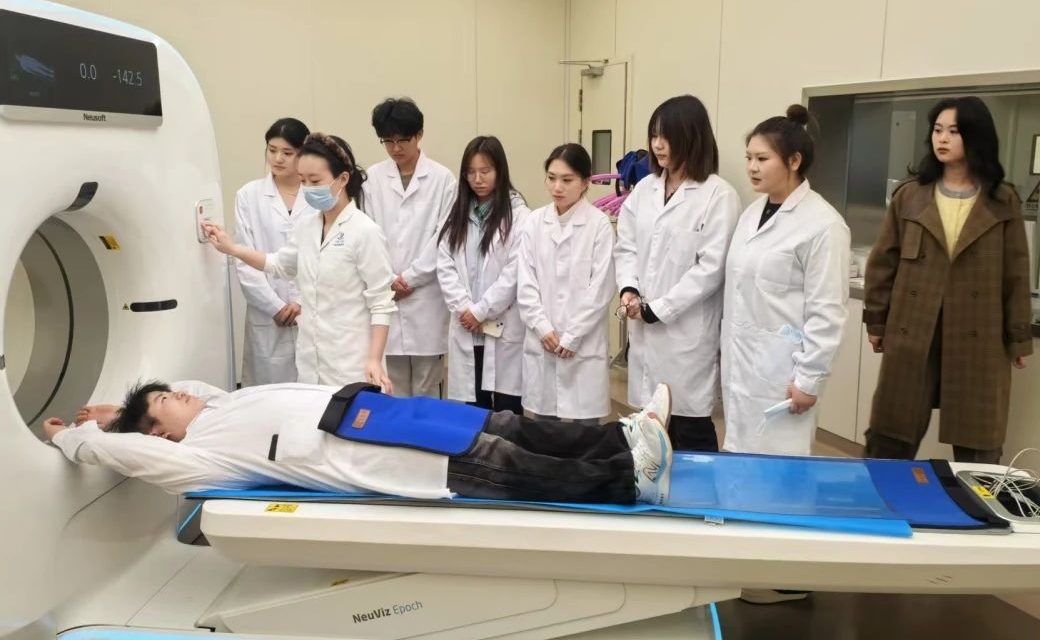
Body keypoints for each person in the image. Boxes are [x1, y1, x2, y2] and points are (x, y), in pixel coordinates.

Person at [42, 380, 675, 505]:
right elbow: (125, 452)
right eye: (165, 403)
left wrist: (121, 405)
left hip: (380, 412)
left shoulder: (220, 403)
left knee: (505, 424)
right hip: (376, 452)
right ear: (160, 432)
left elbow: (189, 385)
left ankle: (623, 435)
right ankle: (629, 478)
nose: (180, 394)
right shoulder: (196, 454)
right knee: (504, 462)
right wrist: (80, 434)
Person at [863, 96, 1033, 465]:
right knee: (891, 433)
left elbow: (1016, 273)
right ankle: (881, 496)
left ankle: (973, 501)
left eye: (954, 131)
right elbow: (883, 262)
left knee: (979, 443)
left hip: (979, 334)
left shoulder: (1002, 199)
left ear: (976, 136)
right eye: (938, 130)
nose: (942, 138)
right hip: (913, 328)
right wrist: (876, 320)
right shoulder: (910, 195)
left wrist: (1018, 336)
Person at [203, 133, 396, 390]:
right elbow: (279, 264)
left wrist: (374, 360)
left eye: (315, 181)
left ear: (342, 179)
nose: (308, 189)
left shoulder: (365, 232)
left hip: (352, 361)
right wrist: (232, 248)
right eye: (303, 181)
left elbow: (381, 303)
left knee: (351, 414)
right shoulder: (307, 227)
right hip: (310, 361)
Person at [721, 105, 850, 459]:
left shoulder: (823, 225)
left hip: (784, 375)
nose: (752, 167)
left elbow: (827, 313)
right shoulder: (752, 214)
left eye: (762, 159)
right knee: (739, 465)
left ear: (794, 161)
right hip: (742, 366)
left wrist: (809, 380)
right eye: (749, 157)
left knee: (779, 471)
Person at [614, 95, 741, 452]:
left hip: (686, 336)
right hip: (644, 328)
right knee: (649, 429)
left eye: (666, 136)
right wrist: (629, 290)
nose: (657, 145)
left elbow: (710, 269)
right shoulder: (645, 190)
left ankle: (702, 490)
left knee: (689, 429)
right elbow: (627, 247)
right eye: (654, 135)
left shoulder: (718, 195)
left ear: (691, 137)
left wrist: (658, 309)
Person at [363, 98, 457, 398]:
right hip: (386, 292)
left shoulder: (442, 179)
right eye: (387, 141)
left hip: (426, 296)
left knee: (427, 386)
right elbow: (367, 234)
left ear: (419, 134)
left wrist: (411, 278)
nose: (395, 148)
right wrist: (389, 279)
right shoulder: (372, 179)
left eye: (403, 139)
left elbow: (444, 237)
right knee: (392, 386)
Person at [517, 144, 616, 424]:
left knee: (586, 430)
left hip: (583, 345)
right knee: (544, 428)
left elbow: (601, 288)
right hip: (543, 341)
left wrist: (573, 335)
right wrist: (542, 327)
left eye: (567, 180)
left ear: (585, 183)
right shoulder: (535, 222)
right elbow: (526, 283)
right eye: (551, 178)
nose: (557, 187)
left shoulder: (599, 225)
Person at [437, 136, 530, 413]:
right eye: (470, 172)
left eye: (485, 171)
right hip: (466, 325)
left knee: (507, 412)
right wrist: (465, 309)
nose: (477, 179)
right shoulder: (455, 214)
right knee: (470, 412)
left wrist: (481, 311)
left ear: (500, 171)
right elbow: (445, 265)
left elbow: (514, 271)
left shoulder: (520, 216)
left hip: (501, 325)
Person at [234, 117, 316, 386]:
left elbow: (326, 256)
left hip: (311, 309)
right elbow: (244, 259)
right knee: (268, 393)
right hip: (267, 315)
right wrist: (275, 306)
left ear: (303, 153)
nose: (278, 158)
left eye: (288, 153)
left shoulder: (317, 194)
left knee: (312, 393)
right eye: (272, 150)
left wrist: (301, 302)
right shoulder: (249, 195)